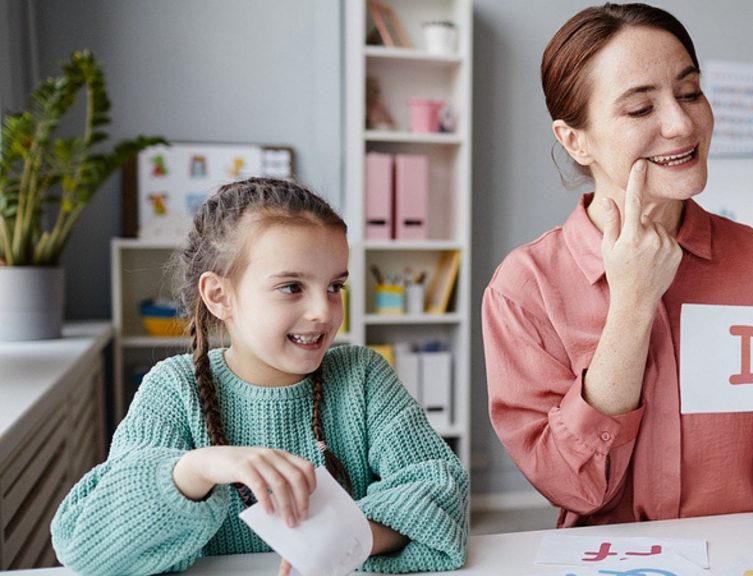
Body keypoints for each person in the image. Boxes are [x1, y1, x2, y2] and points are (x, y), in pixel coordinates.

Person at [482, 3, 753, 528]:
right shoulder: (525, 289)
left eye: (690, 93)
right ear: (575, 139)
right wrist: (633, 303)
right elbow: (572, 486)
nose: (682, 124)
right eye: (640, 109)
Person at [52, 177, 468, 574]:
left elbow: (441, 489)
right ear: (219, 296)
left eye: (334, 287)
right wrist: (198, 468)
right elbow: (85, 543)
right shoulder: (174, 389)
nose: (323, 312)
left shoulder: (363, 376)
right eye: (291, 287)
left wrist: (343, 541)